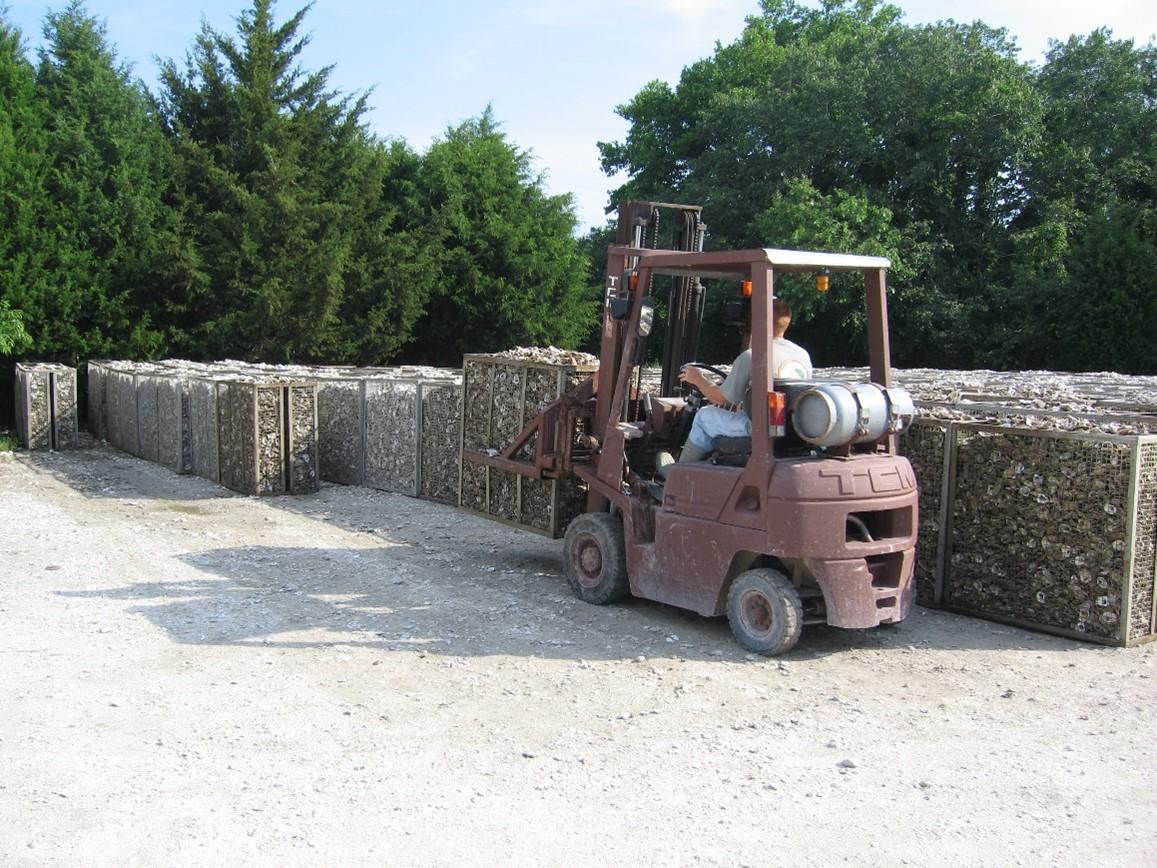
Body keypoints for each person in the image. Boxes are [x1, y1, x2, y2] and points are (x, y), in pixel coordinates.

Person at [676, 299, 812, 463]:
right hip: (793, 429)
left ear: (762, 321)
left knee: (704, 416)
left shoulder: (752, 356)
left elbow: (719, 398)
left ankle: (680, 472)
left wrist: (698, 379)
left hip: (757, 429)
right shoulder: (802, 355)